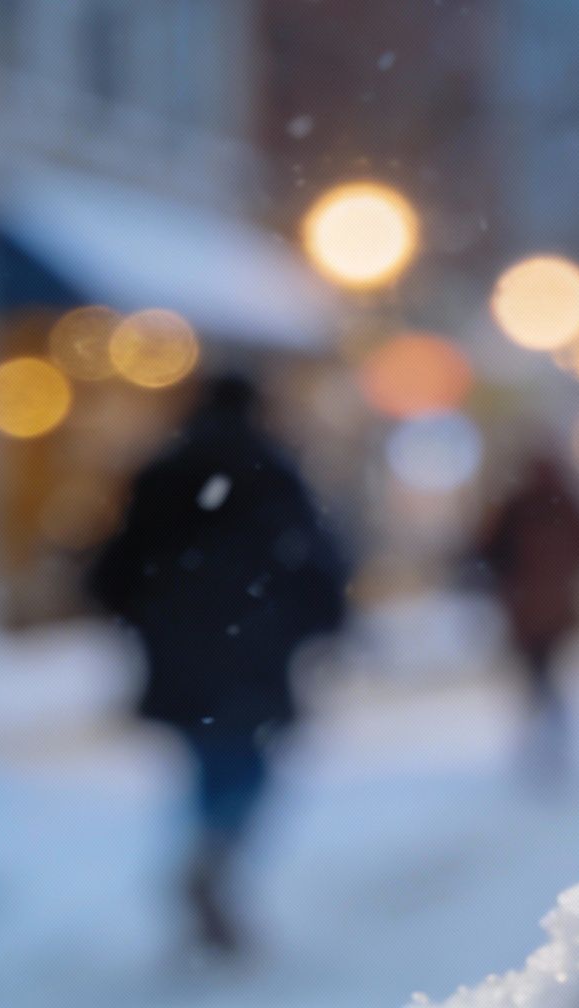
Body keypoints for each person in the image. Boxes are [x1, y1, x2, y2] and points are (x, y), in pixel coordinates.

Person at [87, 372, 347, 959]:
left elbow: (115, 568)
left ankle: (208, 855)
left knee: (208, 757)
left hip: (181, 649)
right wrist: (322, 621)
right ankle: (216, 853)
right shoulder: (272, 471)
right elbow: (313, 560)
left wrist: (148, 617)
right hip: (256, 645)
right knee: (249, 761)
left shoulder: (163, 471)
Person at [471, 449, 579, 783]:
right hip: (553, 608)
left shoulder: (519, 506)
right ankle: (551, 736)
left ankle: (542, 736)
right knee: (549, 676)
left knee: (538, 677)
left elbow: (485, 550)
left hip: (527, 608)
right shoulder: (563, 503)